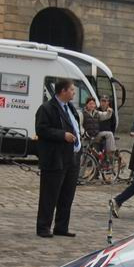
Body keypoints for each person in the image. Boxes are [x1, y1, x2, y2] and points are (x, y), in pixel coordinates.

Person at [35, 79, 82, 238]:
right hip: (55, 158)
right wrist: (62, 135)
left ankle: (61, 226)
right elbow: (42, 129)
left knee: (67, 195)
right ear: (63, 91)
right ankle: (43, 227)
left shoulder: (70, 108)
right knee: (49, 195)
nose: (74, 93)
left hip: (72, 158)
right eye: (72, 90)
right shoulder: (47, 108)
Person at [80, 97, 115, 163]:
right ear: (86, 104)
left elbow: (104, 115)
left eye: (93, 104)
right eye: (90, 104)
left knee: (109, 134)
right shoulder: (82, 113)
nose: (92, 105)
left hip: (96, 135)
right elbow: (80, 125)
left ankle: (110, 152)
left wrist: (109, 112)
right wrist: (84, 133)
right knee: (85, 157)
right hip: (87, 137)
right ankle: (81, 172)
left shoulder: (97, 113)